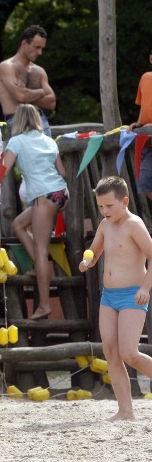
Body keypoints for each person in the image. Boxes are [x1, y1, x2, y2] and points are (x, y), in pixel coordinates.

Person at [79, 176, 152, 420]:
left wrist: (145, 288)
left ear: (124, 201)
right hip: (109, 296)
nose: (104, 211)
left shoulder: (135, 224)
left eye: (109, 206)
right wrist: (88, 261)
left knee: (129, 352)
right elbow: (95, 251)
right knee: (110, 351)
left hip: (133, 294)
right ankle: (125, 410)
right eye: (100, 206)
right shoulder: (104, 225)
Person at [2, 104, 68, 320]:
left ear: (18, 120)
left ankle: (45, 305)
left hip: (42, 195)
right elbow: (63, 171)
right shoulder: (49, 140)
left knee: (42, 248)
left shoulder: (16, 141)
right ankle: (35, 266)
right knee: (19, 225)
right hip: (60, 193)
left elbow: (3, 169)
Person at [0, 24, 56, 136]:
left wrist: (27, 93)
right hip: (18, 120)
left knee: (49, 153)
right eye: (37, 47)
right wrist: (41, 92)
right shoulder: (7, 66)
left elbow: (52, 102)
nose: (40, 53)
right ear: (24, 43)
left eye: (42, 48)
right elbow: (20, 96)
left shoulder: (39, 71)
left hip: (41, 120)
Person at [129, 47, 152, 202]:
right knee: (144, 181)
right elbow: (143, 105)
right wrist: (138, 123)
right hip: (148, 140)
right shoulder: (145, 77)